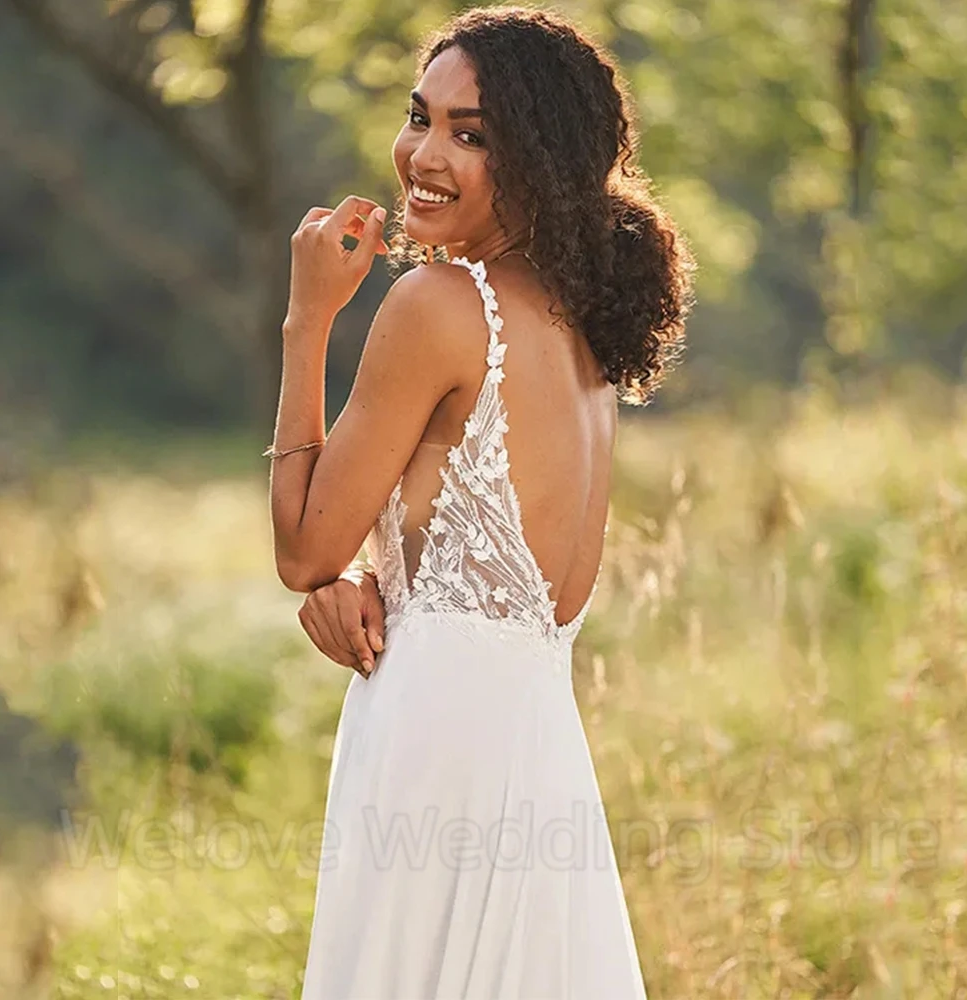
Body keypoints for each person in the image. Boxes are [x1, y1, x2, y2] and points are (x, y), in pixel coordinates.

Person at [265, 7, 694, 997]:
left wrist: (306, 321)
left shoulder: (437, 308)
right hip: (533, 765)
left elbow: (299, 548)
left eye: (472, 135)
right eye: (421, 117)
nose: (424, 152)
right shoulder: (584, 338)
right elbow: (472, 572)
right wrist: (374, 583)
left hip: (434, 758)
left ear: (537, 162)